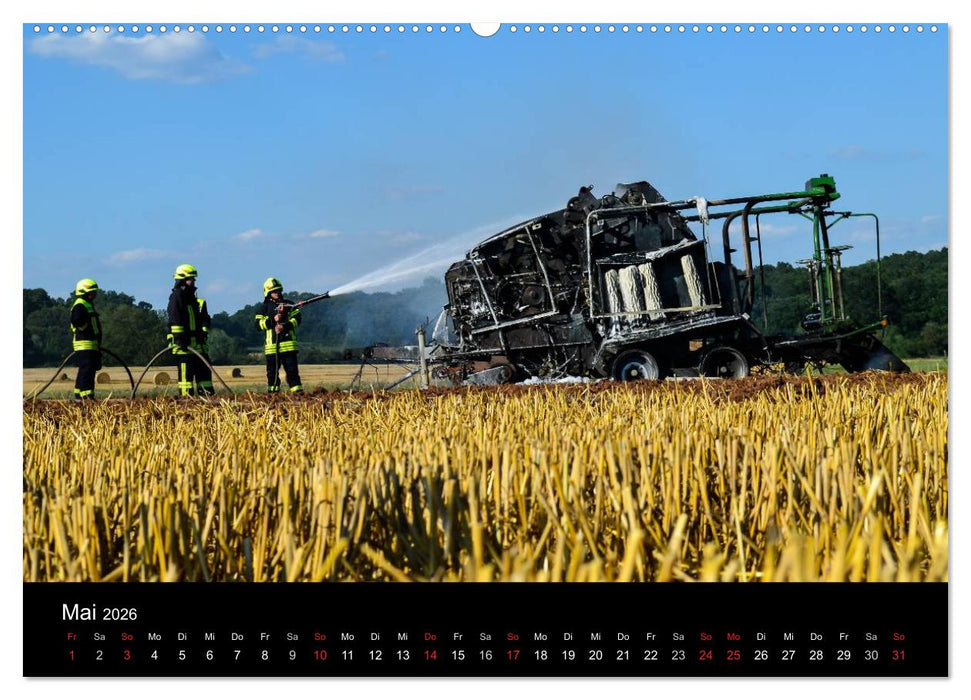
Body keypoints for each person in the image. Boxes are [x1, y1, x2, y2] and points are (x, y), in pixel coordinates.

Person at [167, 264, 214, 397]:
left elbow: (199, 320)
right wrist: (180, 339)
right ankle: (186, 405)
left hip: (198, 346)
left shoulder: (192, 299)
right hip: (184, 348)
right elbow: (175, 320)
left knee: (205, 376)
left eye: (193, 279)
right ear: (182, 280)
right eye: (190, 279)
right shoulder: (177, 297)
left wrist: (202, 332)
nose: (193, 281)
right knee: (186, 381)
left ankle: (208, 403)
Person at [254, 277, 303, 394]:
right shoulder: (264, 308)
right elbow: (258, 325)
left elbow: (297, 320)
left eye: (278, 290)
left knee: (292, 372)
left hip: (289, 346)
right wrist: (272, 320)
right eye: (274, 291)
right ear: (268, 293)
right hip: (272, 348)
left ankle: (299, 396)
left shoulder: (289, 305)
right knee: (272, 374)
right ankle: (273, 396)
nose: (277, 293)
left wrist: (284, 326)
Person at [70, 278, 102, 400]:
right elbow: (76, 320)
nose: (95, 294)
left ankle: (80, 395)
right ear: (84, 292)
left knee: (87, 369)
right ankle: (86, 397)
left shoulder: (87, 304)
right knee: (87, 370)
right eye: (92, 291)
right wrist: (86, 329)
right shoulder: (80, 304)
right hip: (85, 343)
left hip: (91, 343)